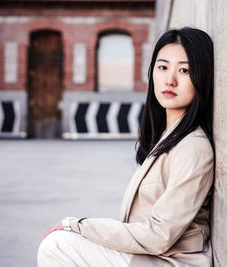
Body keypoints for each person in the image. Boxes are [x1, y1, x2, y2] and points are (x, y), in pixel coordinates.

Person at [37, 27, 215, 267]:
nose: (170, 79)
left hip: (171, 262)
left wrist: (78, 226)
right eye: (163, 67)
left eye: (184, 70)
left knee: (57, 246)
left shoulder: (193, 147)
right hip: (148, 257)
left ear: (200, 78)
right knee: (61, 242)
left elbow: (159, 235)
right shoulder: (167, 136)